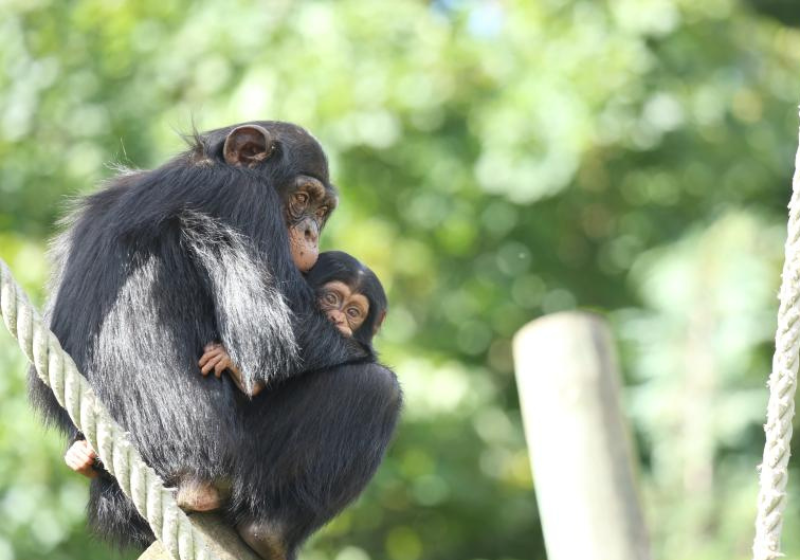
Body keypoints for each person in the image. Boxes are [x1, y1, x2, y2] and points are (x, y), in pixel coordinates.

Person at [64, 251, 388, 478]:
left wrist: (246, 366)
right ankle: (96, 453)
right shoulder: (261, 302)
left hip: (255, 462)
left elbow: (275, 393)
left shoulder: (343, 368)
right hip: (185, 435)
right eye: (331, 298)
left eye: (353, 312)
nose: (337, 315)